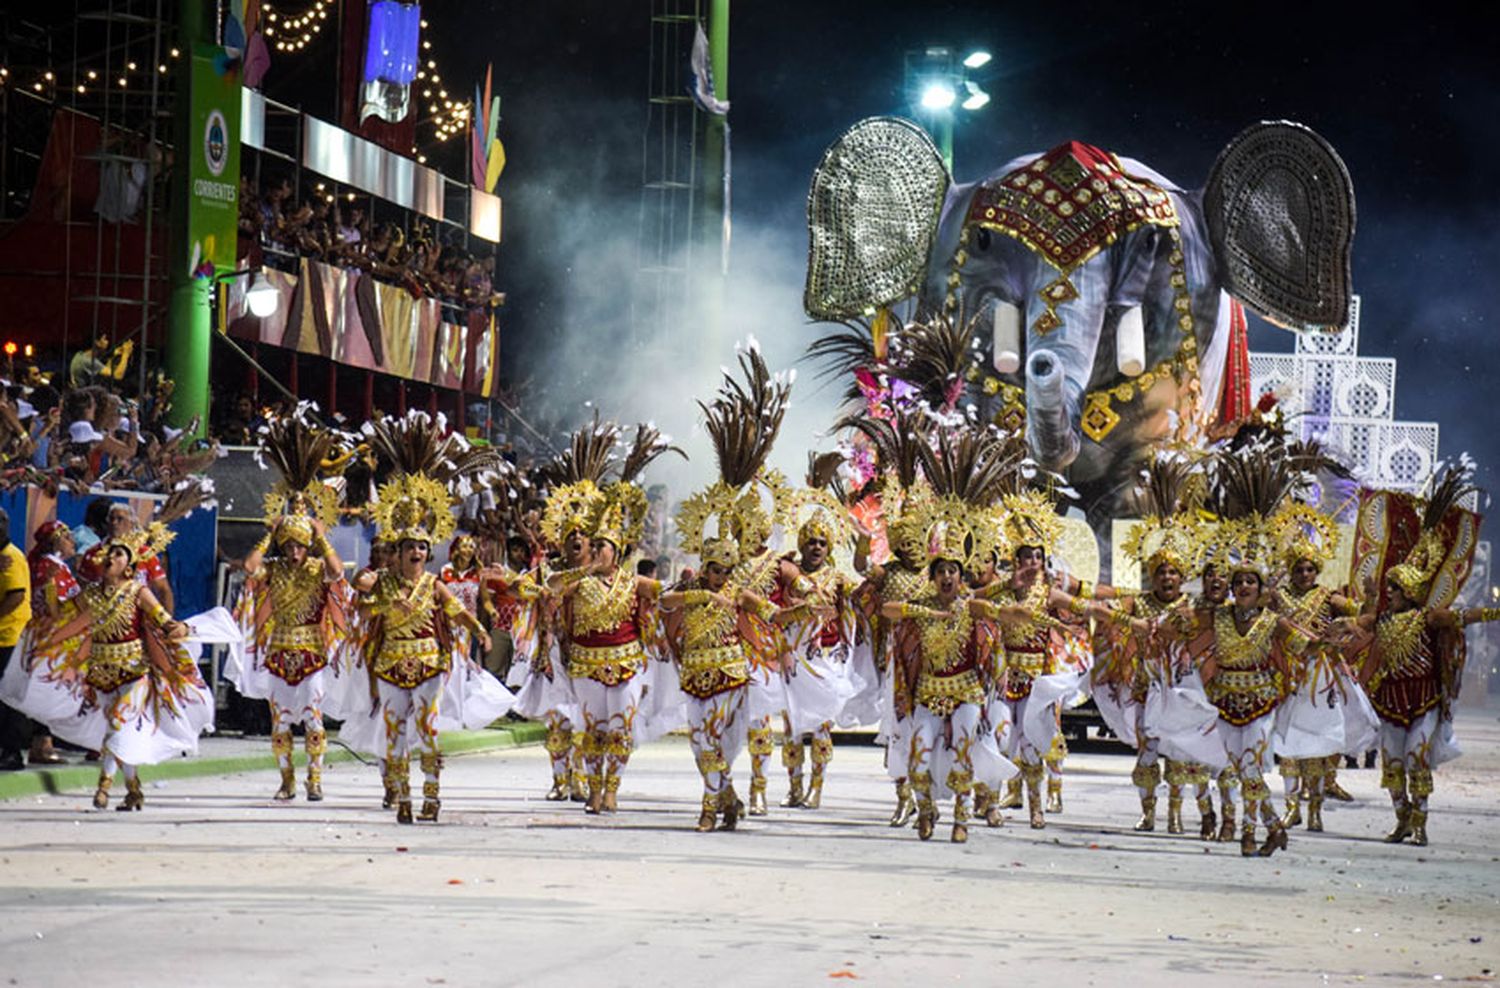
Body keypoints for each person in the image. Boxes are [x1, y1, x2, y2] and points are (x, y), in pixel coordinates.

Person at [1335, 464, 1498, 846]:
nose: (1389, 594)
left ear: (1408, 592)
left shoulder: (1429, 617)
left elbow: (1466, 616)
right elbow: (1358, 622)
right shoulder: (1383, 617)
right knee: (1392, 766)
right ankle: (1402, 819)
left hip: (1423, 699)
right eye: (1388, 589)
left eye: (1394, 590)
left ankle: (1421, 825)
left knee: (1417, 761)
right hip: (1391, 701)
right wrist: (1340, 628)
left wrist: (1495, 611)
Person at [236, 513, 345, 801]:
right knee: (280, 722)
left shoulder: (317, 568)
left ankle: (315, 779)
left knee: (313, 719)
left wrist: (320, 535)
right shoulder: (273, 570)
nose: (294, 552)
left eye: (299, 545)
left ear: (308, 546)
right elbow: (249, 567)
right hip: (279, 653)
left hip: (312, 653)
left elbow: (337, 572)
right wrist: (271, 534)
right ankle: (287, 781)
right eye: (288, 546)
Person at [0, 508, 35, 771]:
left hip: (9, 636)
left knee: (7, 699)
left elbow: (16, 596)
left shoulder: (10, 557)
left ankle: (12, 752)